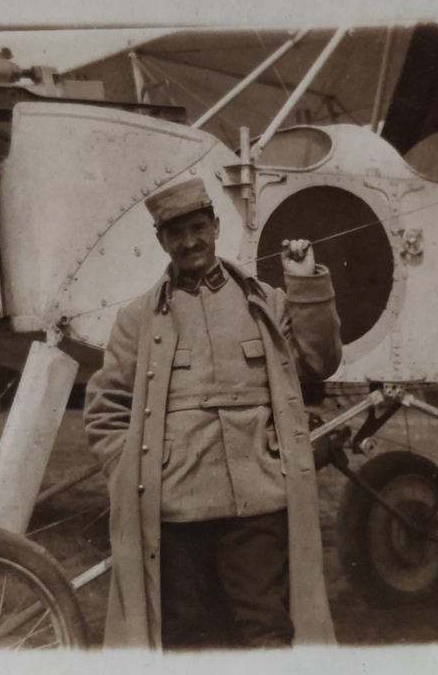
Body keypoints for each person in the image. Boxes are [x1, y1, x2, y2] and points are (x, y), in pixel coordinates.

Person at [84, 177, 343, 650]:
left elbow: (319, 360)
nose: (189, 242)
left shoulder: (265, 302)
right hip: (176, 506)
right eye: (176, 234)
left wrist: (304, 281)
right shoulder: (138, 320)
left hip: (259, 499)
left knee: (265, 630)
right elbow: (105, 411)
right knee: (187, 637)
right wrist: (134, 471)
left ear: (216, 226)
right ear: (161, 241)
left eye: (198, 228)